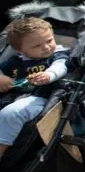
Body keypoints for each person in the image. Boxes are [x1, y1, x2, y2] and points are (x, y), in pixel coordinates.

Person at [0, 17, 71, 162]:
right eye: (36, 46)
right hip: (13, 96)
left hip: (43, 98)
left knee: (11, 114)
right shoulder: (16, 61)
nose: (46, 47)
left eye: (49, 40)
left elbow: (60, 66)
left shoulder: (58, 55)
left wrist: (49, 75)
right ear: (20, 50)